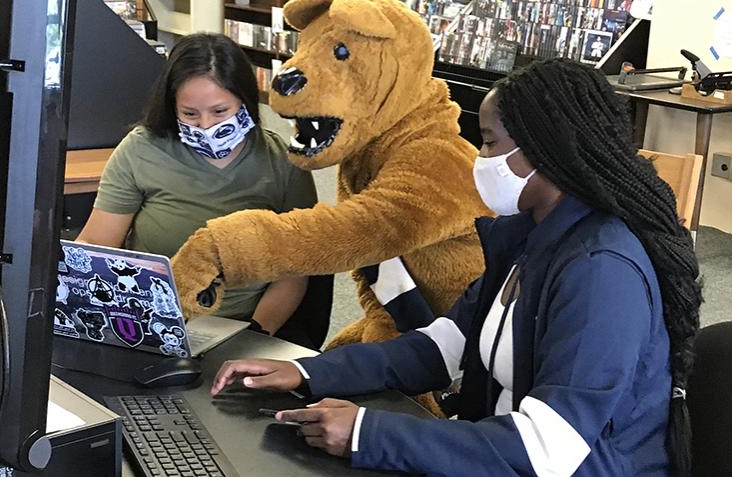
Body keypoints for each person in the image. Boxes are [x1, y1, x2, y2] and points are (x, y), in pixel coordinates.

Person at [210, 59, 702, 476]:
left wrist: (368, 431)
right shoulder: (530, 236)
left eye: (488, 143)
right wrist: (304, 373)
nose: (479, 159)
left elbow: (550, 450)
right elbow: (441, 346)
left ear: (545, 150)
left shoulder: (600, 271)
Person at [77, 33, 318, 340]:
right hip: (154, 320)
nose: (206, 126)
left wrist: (255, 334)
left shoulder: (281, 161)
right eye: (190, 114)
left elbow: (296, 270)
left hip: (246, 325)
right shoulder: (140, 150)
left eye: (220, 111)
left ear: (245, 102)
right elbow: (98, 244)